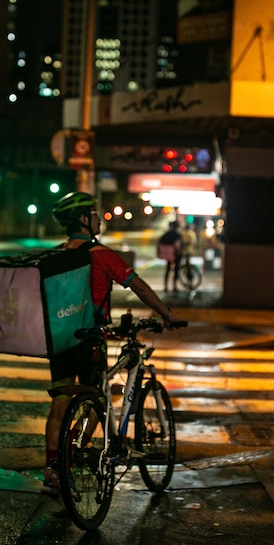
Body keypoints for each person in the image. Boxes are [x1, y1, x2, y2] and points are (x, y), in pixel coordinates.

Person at [42, 191, 184, 494]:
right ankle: (76, 452)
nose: (98, 218)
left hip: (59, 340)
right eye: (93, 214)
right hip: (89, 340)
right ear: (83, 220)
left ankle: (52, 468)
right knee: (99, 399)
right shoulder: (100, 254)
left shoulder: (55, 255)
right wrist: (166, 314)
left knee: (59, 404)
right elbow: (139, 287)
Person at [156, 220, 182, 292]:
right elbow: (178, 246)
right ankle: (174, 287)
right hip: (174, 254)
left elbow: (159, 244)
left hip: (167, 255)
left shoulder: (165, 235)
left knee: (167, 270)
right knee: (176, 270)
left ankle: (166, 287)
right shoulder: (177, 235)